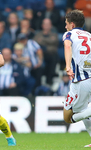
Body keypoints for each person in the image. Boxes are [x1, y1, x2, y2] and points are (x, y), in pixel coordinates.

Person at [62, 10, 91, 148]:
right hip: (89, 76)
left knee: (68, 118)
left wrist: (68, 66)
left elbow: (67, 46)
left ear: (72, 24)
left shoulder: (69, 34)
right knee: (83, 111)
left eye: (66, 24)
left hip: (80, 81)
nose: (65, 26)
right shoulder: (89, 35)